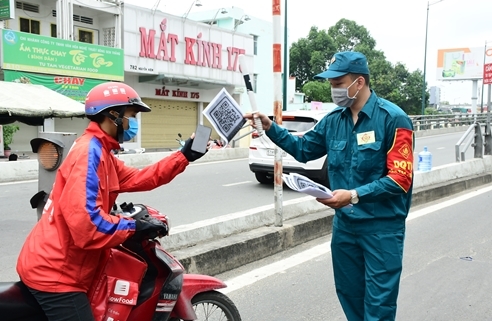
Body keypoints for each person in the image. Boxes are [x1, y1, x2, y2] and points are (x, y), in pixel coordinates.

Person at [16, 82, 206, 321]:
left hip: (72, 265)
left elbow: (139, 178)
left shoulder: (102, 151)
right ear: (113, 115)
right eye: (132, 115)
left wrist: (183, 156)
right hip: (56, 272)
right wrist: (134, 226)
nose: (133, 123)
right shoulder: (89, 154)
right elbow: (89, 225)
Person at [245, 51, 414, 321]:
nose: (333, 89)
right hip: (345, 227)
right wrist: (270, 128)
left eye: (338, 83)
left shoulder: (393, 119)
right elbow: (303, 149)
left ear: (358, 83)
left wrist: (354, 195)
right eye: (331, 84)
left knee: (379, 303)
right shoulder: (334, 120)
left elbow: (400, 178)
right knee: (349, 294)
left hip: (382, 228)